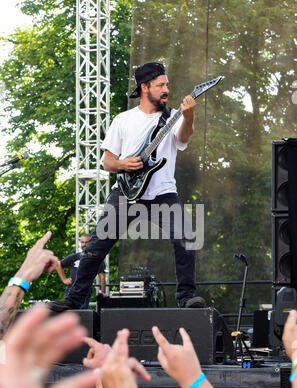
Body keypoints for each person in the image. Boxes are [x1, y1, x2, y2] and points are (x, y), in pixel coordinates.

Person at [49, 62, 205, 314]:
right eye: (160, 85)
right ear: (145, 87)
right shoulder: (123, 120)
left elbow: (184, 138)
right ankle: (74, 299)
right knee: (94, 248)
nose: (166, 89)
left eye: (167, 84)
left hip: (163, 193)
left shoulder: (173, 116)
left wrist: (189, 116)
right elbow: (108, 162)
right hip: (125, 193)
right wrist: (123, 163)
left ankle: (186, 296)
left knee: (186, 238)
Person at [56, 233, 106, 309]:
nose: (84, 244)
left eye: (86, 242)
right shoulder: (74, 257)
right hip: (71, 290)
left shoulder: (96, 260)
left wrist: (103, 292)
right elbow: (58, 264)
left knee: (82, 316)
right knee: (69, 314)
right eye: (82, 242)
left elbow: (102, 277)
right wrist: (64, 279)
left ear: (91, 243)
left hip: (84, 291)